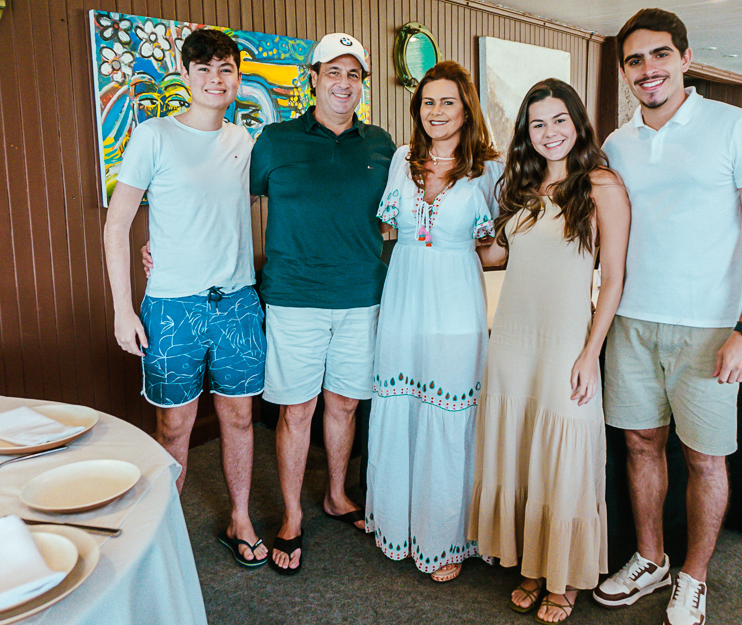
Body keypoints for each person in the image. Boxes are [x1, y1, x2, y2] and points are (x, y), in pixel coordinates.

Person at [594, 9, 742, 625]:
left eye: (658, 55)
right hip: (630, 320)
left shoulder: (736, 128)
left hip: (710, 328)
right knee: (640, 444)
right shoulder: (617, 144)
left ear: (684, 58)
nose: (647, 70)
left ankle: (693, 575)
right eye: (634, 60)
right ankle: (650, 558)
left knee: (705, 458)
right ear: (624, 72)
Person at [103, 29, 269, 568]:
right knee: (174, 425)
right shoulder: (153, 134)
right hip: (172, 306)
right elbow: (118, 223)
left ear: (237, 78)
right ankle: (165, 531)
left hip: (238, 302)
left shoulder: (246, 143)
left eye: (225, 69)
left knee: (240, 419)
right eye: (204, 69)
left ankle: (240, 518)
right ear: (187, 75)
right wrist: (123, 309)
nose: (215, 79)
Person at [469, 79, 631, 624]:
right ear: (526, 133)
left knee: (562, 453)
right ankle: (533, 566)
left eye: (559, 120)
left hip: (566, 339)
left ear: (578, 123)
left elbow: (613, 280)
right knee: (520, 449)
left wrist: (591, 353)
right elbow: (497, 256)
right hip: (513, 336)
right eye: (537, 124)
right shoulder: (519, 185)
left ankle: (562, 576)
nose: (549, 132)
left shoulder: (601, 185)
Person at [249, 33, 396, 575]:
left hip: (361, 296)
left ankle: (336, 495)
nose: (343, 83)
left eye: (354, 74)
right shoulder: (274, 140)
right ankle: (291, 516)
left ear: (361, 85)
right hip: (294, 298)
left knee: (345, 404)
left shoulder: (381, 145)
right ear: (312, 79)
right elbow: (228, 198)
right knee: (297, 409)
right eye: (333, 71)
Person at [364, 61, 502, 583]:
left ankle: (445, 539)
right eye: (428, 102)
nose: (436, 111)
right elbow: (384, 228)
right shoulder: (403, 159)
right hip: (402, 301)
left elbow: (493, 249)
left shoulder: (486, 168)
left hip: (455, 305)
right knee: (400, 407)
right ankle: (398, 523)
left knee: (446, 415)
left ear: (466, 107)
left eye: (447, 101)